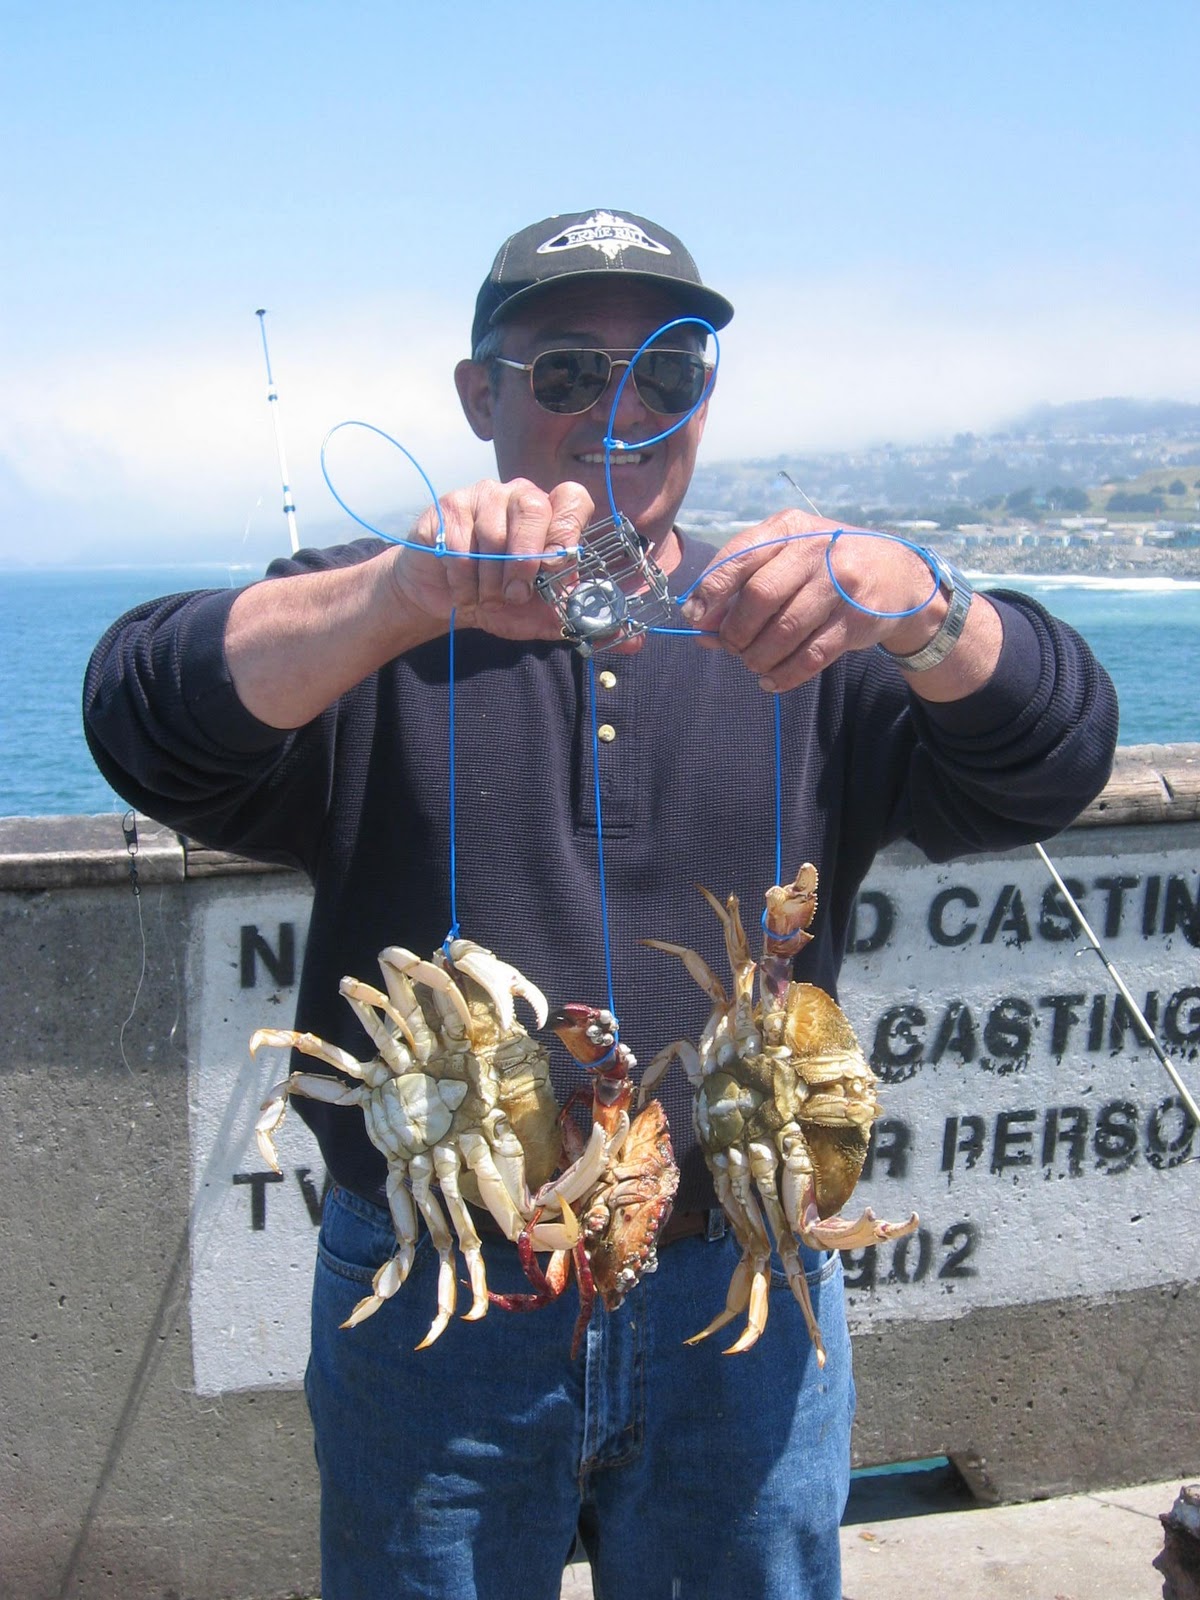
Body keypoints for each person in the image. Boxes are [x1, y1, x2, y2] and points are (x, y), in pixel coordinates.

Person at [84, 207, 1119, 1600]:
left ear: (708, 396)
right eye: (567, 372)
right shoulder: (376, 617)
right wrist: (403, 596)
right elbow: (147, 714)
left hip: (738, 1291)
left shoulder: (801, 628)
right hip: (448, 1296)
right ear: (482, 397)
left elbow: (1051, 759)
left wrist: (927, 609)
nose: (621, 413)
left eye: (669, 375)